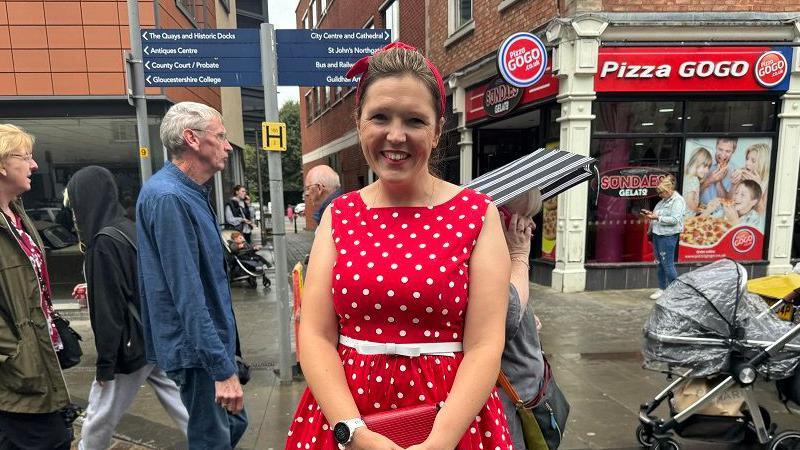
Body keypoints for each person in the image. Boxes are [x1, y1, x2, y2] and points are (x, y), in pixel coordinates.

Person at [286, 42, 513, 450]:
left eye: (414, 120)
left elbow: (485, 345)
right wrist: (353, 433)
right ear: (359, 123)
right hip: (348, 416)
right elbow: (316, 335)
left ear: (438, 129)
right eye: (380, 117)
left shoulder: (478, 215)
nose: (396, 135)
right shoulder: (339, 216)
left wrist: (439, 442)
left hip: (451, 419)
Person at [136, 102, 247, 449]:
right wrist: (220, 368)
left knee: (232, 425)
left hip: (203, 347)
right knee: (212, 439)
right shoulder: (170, 198)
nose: (228, 146)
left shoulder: (187, 192)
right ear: (192, 139)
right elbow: (187, 293)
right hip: (196, 353)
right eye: (221, 136)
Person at [65, 166, 189, 450]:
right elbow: (136, 281)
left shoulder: (102, 243)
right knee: (178, 398)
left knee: (100, 412)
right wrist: (92, 288)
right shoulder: (129, 228)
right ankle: (211, 441)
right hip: (151, 334)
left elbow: (110, 309)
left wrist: (106, 363)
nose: (72, 212)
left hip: (129, 344)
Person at [0, 124, 73, 449]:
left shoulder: (17, 214)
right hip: (16, 372)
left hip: (38, 360)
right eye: (26, 157)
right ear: (1, 164)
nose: (34, 165)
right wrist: (13, 354)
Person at [497, 190, 548, 450]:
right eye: (523, 217)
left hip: (526, 391)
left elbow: (519, 309)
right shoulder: (491, 260)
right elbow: (508, 313)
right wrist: (520, 255)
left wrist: (529, 317)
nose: (532, 225)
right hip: (507, 399)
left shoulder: (503, 258)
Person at [642, 176, 686, 300]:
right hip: (658, 234)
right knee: (660, 264)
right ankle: (662, 289)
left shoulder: (677, 201)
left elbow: (675, 220)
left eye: (662, 192)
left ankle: (675, 292)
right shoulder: (664, 201)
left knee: (667, 264)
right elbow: (659, 214)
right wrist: (651, 214)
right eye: (659, 192)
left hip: (668, 236)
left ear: (669, 189)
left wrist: (656, 218)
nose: (660, 195)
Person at [732, 143, 769, 215]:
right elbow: (731, 202)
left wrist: (758, 186)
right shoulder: (742, 174)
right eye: (747, 159)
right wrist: (734, 184)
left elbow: (761, 212)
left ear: (763, 164)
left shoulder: (768, 182)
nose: (747, 163)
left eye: (753, 161)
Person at [699, 137, 738, 204]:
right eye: (720, 149)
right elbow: (690, 192)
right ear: (716, 147)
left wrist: (718, 182)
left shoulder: (734, 171)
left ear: (733, 151)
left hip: (720, 213)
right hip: (701, 210)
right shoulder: (702, 161)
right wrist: (709, 180)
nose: (723, 154)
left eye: (728, 151)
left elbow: (727, 202)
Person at [683, 147, 712, 214]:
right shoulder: (694, 180)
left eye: (708, 167)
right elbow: (689, 201)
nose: (707, 170)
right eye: (705, 166)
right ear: (695, 164)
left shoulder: (687, 176)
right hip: (688, 217)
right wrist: (699, 211)